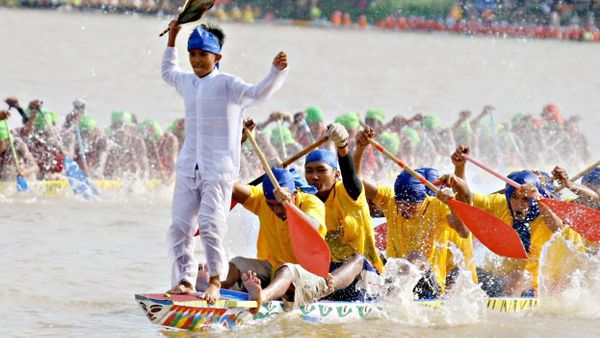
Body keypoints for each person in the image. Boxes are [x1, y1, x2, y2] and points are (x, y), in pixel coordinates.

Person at [162, 20, 288, 303]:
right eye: (192, 54)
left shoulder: (228, 84)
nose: (196, 60)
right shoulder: (187, 81)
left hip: (218, 170)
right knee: (179, 227)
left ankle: (216, 281)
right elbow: (168, 72)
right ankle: (184, 280)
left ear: (217, 57)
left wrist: (276, 71)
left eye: (202, 55)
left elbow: (258, 93)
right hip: (187, 168)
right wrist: (171, 39)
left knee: (209, 224)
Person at [451, 146, 582, 296]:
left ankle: (505, 315)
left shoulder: (552, 210)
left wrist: (537, 197)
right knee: (464, 271)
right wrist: (460, 168)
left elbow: (557, 227)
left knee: (519, 276)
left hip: (548, 284)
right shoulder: (500, 204)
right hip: (508, 280)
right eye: (514, 197)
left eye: (526, 199)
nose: (519, 204)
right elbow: (465, 198)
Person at [354, 128, 470, 299]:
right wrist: (360, 148)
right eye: (400, 203)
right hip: (395, 279)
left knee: (415, 256)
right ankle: (388, 296)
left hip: (430, 285)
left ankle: (389, 301)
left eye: (411, 205)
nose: (403, 209)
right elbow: (355, 182)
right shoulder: (390, 201)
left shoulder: (437, 206)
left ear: (423, 199)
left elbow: (464, 232)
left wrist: (453, 202)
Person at [221, 167, 330, 309]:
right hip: (273, 269)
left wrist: (289, 205)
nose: (277, 210)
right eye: (271, 205)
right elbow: (230, 187)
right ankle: (221, 287)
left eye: (280, 205)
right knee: (237, 262)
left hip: (309, 275)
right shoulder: (261, 199)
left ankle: (261, 297)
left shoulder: (311, 202)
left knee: (287, 270)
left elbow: (313, 229)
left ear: (294, 194)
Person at [301, 123, 385, 302]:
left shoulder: (349, 192)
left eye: (321, 170)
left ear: (336, 175)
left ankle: (320, 291)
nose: (314, 176)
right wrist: (276, 173)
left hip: (365, 278)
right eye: (309, 171)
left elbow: (350, 174)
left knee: (357, 259)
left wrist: (342, 146)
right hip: (327, 273)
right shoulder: (306, 200)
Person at [0, 111, 38, 181]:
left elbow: (35, 167)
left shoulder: (18, 144)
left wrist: (24, 173)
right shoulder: (4, 141)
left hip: (17, 178)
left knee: (8, 169)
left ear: (6, 140)